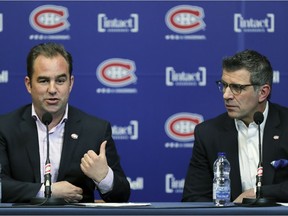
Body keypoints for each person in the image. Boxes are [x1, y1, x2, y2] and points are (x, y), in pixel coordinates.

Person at [0, 42, 130, 203]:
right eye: (44, 81)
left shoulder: (95, 130)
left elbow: (122, 195)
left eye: (60, 80)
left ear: (71, 83)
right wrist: (48, 191)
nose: (53, 89)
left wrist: (104, 178)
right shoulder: (5, 128)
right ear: (29, 84)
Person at [182, 49, 288, 203]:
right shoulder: (208, 133)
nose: (226, 95)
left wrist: (259, 192)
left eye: (237, 88)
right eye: (224, 85)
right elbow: (194, 198)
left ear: (263, 92)